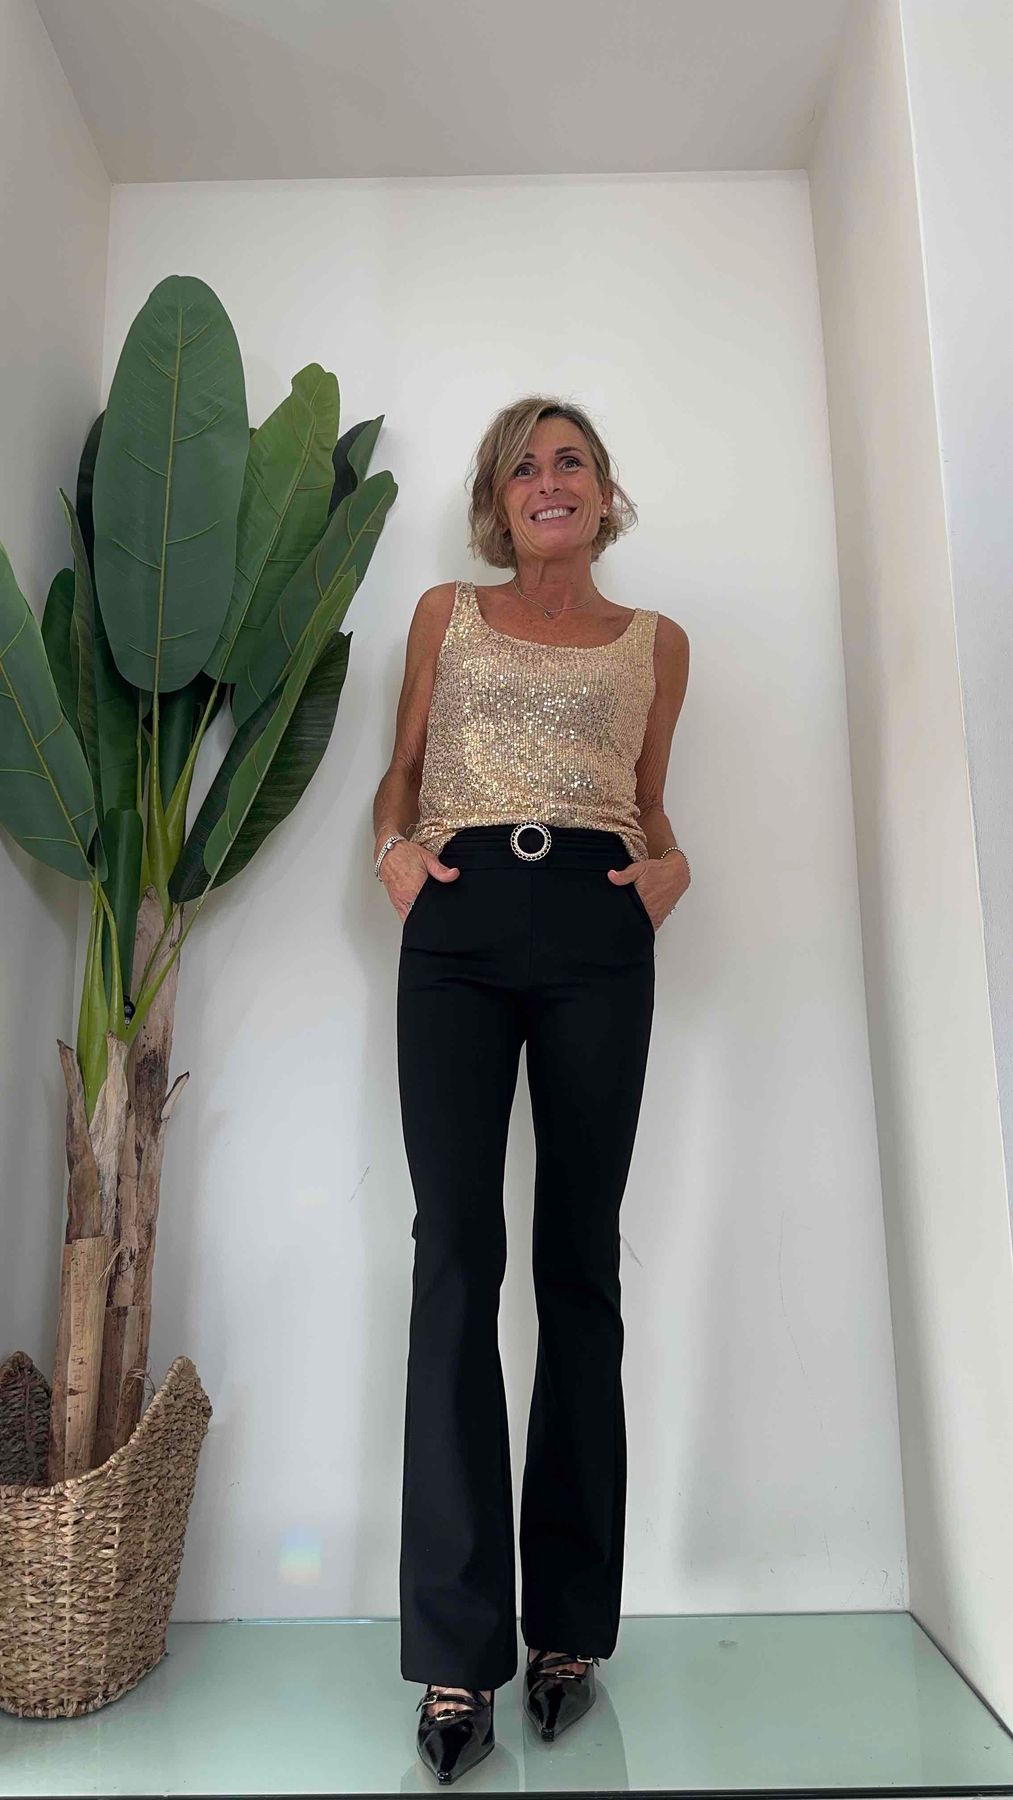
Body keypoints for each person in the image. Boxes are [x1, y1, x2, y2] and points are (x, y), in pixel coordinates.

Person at [372, 395, 691, 1785]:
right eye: (522, 467)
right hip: (455, 922)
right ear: (497, 503)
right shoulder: (444, 614)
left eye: (570, 463)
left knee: (579, 1264)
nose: (547, 482)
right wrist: (392, 853)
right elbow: (398, 776)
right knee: (455, 1256)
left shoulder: (656, 643)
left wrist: (671, 869)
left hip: (598, 930)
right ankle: (456, 1651)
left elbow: (648, 796)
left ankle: (566, 1629)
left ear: (603, 493)